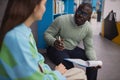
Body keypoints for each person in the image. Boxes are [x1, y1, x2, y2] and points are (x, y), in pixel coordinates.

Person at [0, 0, 87, 80]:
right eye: (44, 4)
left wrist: (53, 72)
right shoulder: (17, 38)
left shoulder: (26, 32)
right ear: (34, 7)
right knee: (78, 74)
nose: (44, 9)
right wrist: (57, 73)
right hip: (48, 66)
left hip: (45, 73)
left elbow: (38, 61)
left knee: (79, 72)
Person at [44, 3, 100, 80]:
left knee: (93, 64)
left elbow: (89, 48)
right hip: (56, 48)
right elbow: (47, 34)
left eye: (84, 14)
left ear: (89, 17)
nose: (80, 15)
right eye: (79, 11)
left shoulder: (88, 28)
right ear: (76, 10)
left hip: (72, 48)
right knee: (69, 67)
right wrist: (54, 42)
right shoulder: (61, 20)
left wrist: (94, 61)